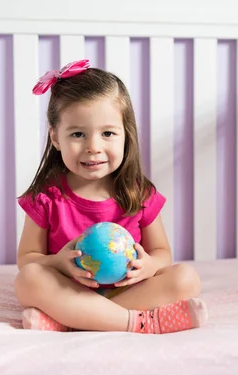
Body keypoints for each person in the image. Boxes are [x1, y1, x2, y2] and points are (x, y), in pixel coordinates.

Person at [14, 59, 207, 334]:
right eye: (78, 134)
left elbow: (162, 252)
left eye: (107, 133)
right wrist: (57, 262)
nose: (94, 147)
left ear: (125, 136)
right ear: (55, 137)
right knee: (28, 279)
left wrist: (149, 266)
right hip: (69, 288)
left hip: (126, 290)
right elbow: (27, 258)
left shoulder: (138, 193)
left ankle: (72, 320)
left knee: (187, 279)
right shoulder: (47, 196)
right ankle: (140, 322)